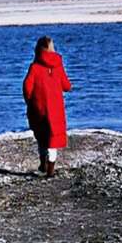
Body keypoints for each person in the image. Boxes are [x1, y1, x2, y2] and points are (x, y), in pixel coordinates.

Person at [22, 35, 72, 175]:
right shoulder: (58, 65)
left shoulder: (35, 67)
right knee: (53, 139)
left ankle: (43, 165)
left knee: (42, 137)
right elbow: (66, 86)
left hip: (39, 108)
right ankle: (50, 170)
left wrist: (29, 101)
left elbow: (27, 87)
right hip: (56, 109)